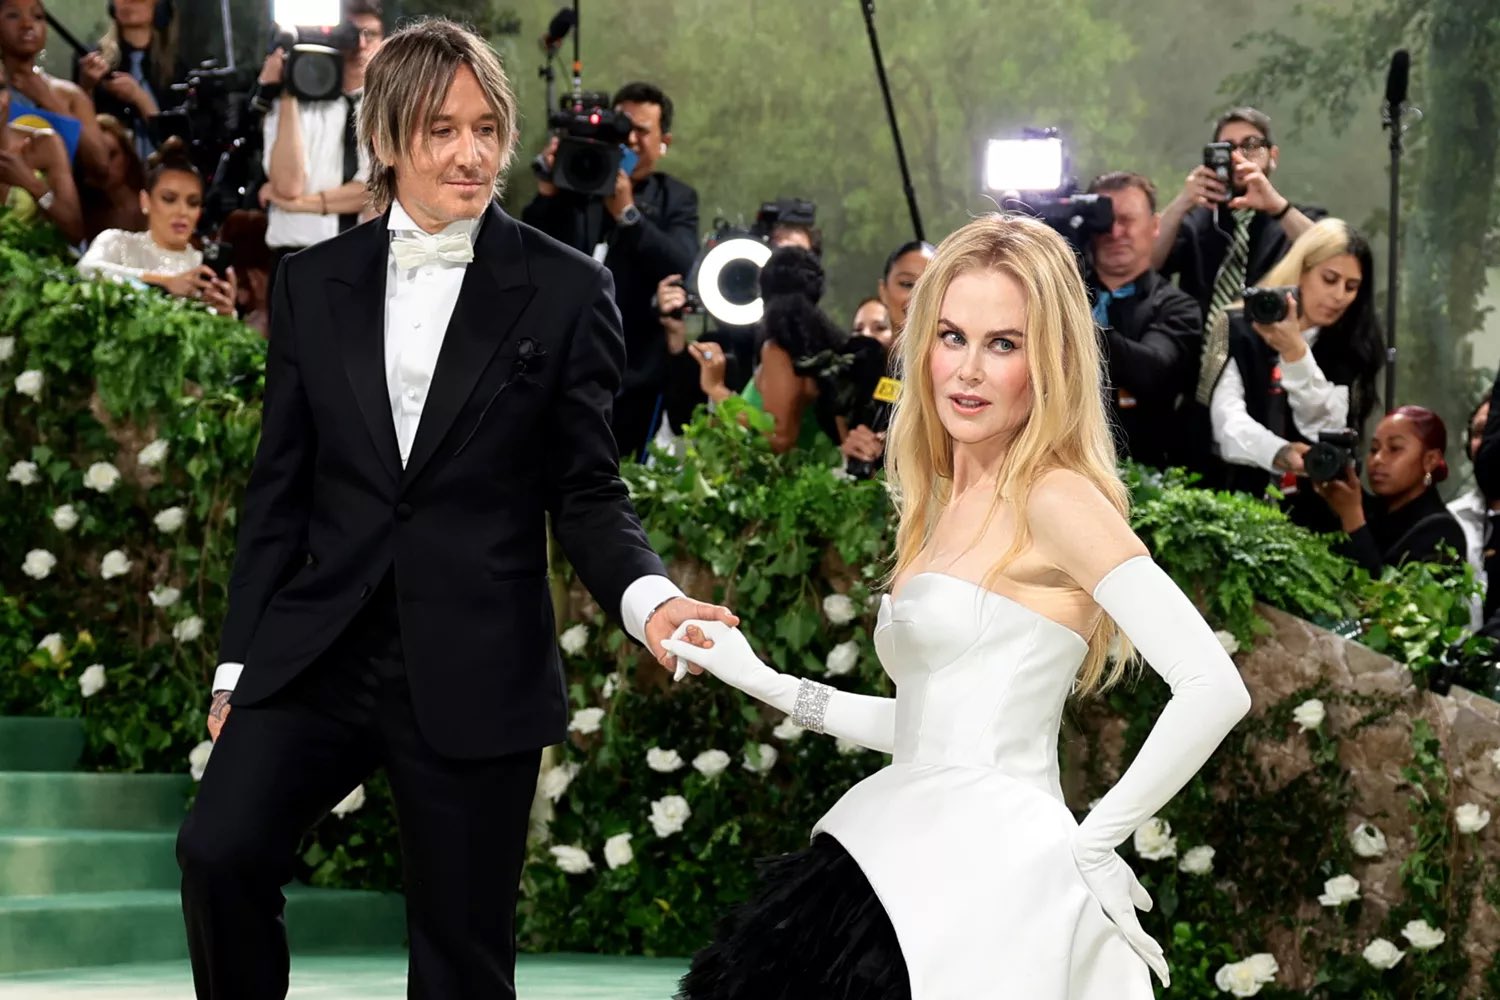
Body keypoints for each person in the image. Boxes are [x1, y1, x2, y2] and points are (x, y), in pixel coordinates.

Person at [173, 21, 736, 1000]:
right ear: (386, 139)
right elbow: (279, 492)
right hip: (320, 649)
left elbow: (588, 491)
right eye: (442, 130)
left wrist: (652, 602)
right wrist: (237, 665)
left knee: (460, 961)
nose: (471, 153)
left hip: (478, 655)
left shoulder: (567, 290)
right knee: (217, 853)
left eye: (486, 128)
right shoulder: (312, 283)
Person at [663, 214, 1251, 999]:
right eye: (951, 337)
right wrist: (764, 681)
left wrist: (1098, 841)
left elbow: (1214, 686)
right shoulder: (937, 502)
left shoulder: (1056, 496)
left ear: (1049, 362)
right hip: (901, 841)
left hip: (994, 876)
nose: (968, 371)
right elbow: (928, 728)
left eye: (1003, 344)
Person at [523, 81, 699, 461]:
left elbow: (682, 263)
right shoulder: (576, 180)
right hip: (563, 370)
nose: (631, 139)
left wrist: (628, 215)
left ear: (664, 141)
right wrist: (549, 192)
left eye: (643, 131)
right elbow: (531, 254)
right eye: (622, 127)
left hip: (636, 374)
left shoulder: (676, 198)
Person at [1201, 219, 1383, 529]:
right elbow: (1225, 421)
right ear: (1301, 269)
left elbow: (1327, 426)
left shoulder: (1354, 343)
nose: (1339, 295)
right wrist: (1279, 452)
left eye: (1351, 287)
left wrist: (1295, 353)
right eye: (1330, 279)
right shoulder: (1241, 325)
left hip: (1316, 513)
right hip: (1233, 503)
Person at [1153, 106, 1324, 331]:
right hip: (1196, 346)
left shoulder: (1292, 219)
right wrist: (1182, 203)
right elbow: (1145, 264)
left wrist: (1278, 207)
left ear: (1273, 156)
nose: (1238, 156)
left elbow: (1331, 256)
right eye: (1227, 148)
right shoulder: (1194, 222)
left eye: (1250, 145)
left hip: (1274, 344)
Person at [257, 0, 384, 280]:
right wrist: (288, 89)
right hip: (292, 259)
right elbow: (288, 184)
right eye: (351, 34)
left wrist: (295, 204)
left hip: (356, 258)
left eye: (371, 35)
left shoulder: (386, 110)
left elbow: (370, 192)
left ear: (384, 42)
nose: (360, 45)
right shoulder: (294, 106)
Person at [1084, 171, 1202, 470]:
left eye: (1127, 220)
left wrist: (1073, 324)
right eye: (1105, 221)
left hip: (1144, 474)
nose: (1115, 232)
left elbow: (1155, 372)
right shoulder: (1060, 293)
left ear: (1155, 225)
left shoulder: (1177, 307)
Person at [689, 246, 849, 455]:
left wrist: (716, 389)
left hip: (790, 475)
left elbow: (780, 437)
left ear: (763, 290)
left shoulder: (779, 350)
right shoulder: (823, 344)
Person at [77, 135, 235, 315]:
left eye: (192, 203)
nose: (182, 211)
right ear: (145, 201)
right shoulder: (117, 243)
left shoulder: (202, 268)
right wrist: (164, 282)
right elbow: (85, 270)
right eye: (169, 199)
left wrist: (227, 315)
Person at [1312, 406, 1466, 576]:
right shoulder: (1364, 508)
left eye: (1394, 448)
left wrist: (1352, 518)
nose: (1377, 459)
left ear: (1430, 460)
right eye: (1374, 449)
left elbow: (1378, 590)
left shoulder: (1442, 532)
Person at [840, 240, 937, 472]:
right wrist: (854, 450)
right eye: (907, 284)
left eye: (929, 285)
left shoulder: (954, 370)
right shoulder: (866, 370)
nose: (917, 297)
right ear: (883, 291)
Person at [0, 0, 109, 173]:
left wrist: (49, 101)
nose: (27, 24)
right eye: (13, 15)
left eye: (37, 17)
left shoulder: (70, 95)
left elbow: (100, 165)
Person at [75, 0, 185, 163]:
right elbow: (80, 134)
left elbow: (176, 144)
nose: (129, 2)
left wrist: (140, 98)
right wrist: (86, 88)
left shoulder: (177, 69)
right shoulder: (89, 60)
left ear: (160, 6)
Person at [0, 59, 81, 241]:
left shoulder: (44, 144)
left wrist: (32, 184)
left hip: (34, 256)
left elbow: (74, 231)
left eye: (0, 88)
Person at [80, 112, 146, 239]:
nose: (104, 165)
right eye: (94, 159)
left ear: (126, 155)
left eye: (112, 155)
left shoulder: (155, 196)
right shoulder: (87, 217)